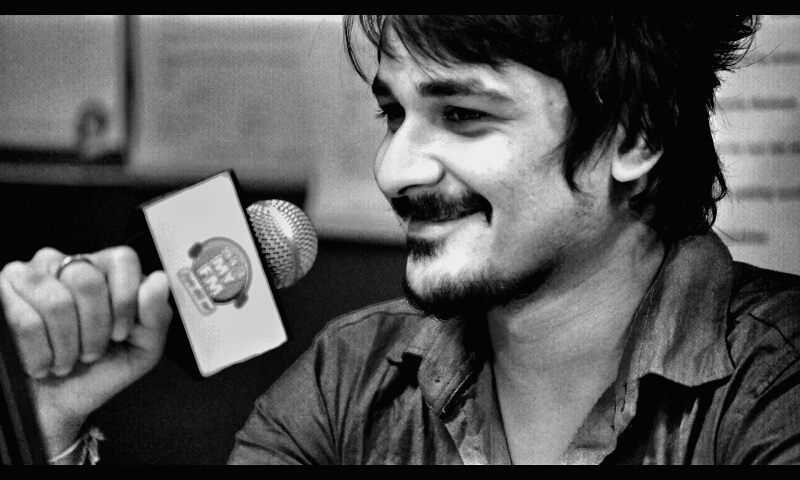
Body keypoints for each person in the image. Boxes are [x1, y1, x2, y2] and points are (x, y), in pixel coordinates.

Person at [2, 14, 799, 465]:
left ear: (634, 135)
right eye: (394, 113)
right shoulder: (347, 379)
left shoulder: (775, 390)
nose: (392, 170)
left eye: (463, 114)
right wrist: (50, 427)